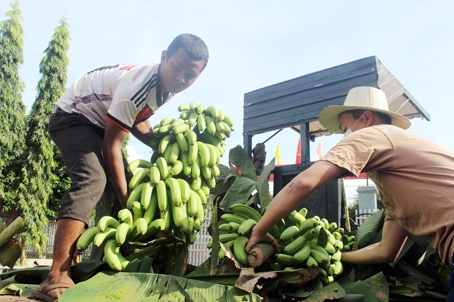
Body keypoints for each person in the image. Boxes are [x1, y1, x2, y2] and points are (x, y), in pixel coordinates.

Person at [35, 33, 209, 300]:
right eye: (178, 67)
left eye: (191, 74)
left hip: (97, 121)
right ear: (164, 57)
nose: (181, 78)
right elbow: (112, 146)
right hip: (73, 117)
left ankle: (104, 266)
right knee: (92, 180)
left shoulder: (165, 88)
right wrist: (125, 198)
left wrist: (158, 144)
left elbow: (133, 118)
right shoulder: (138, 86)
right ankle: (56, 274)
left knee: (126, 179)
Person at [246, 86, 454, 300]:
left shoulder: (372, 135)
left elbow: (302, 184)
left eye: (345, 127)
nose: (344, 136)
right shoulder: (403, 171)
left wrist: (258, 232)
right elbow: (386, 250)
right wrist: (337, 256)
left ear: (366, 118)